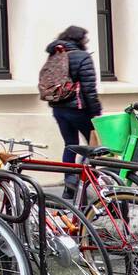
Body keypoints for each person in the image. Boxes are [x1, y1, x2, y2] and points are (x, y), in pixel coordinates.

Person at [45, 25, 102, 199]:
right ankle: (86, 181)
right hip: (79, 109)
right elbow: (89, 88)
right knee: (92, 148)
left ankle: (70, 184)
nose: (87, 41)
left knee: (70, 144)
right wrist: (96, 112)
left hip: (58, 108)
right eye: (85, 38)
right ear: (79, 40)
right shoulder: (82, 56)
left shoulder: (55, 54)